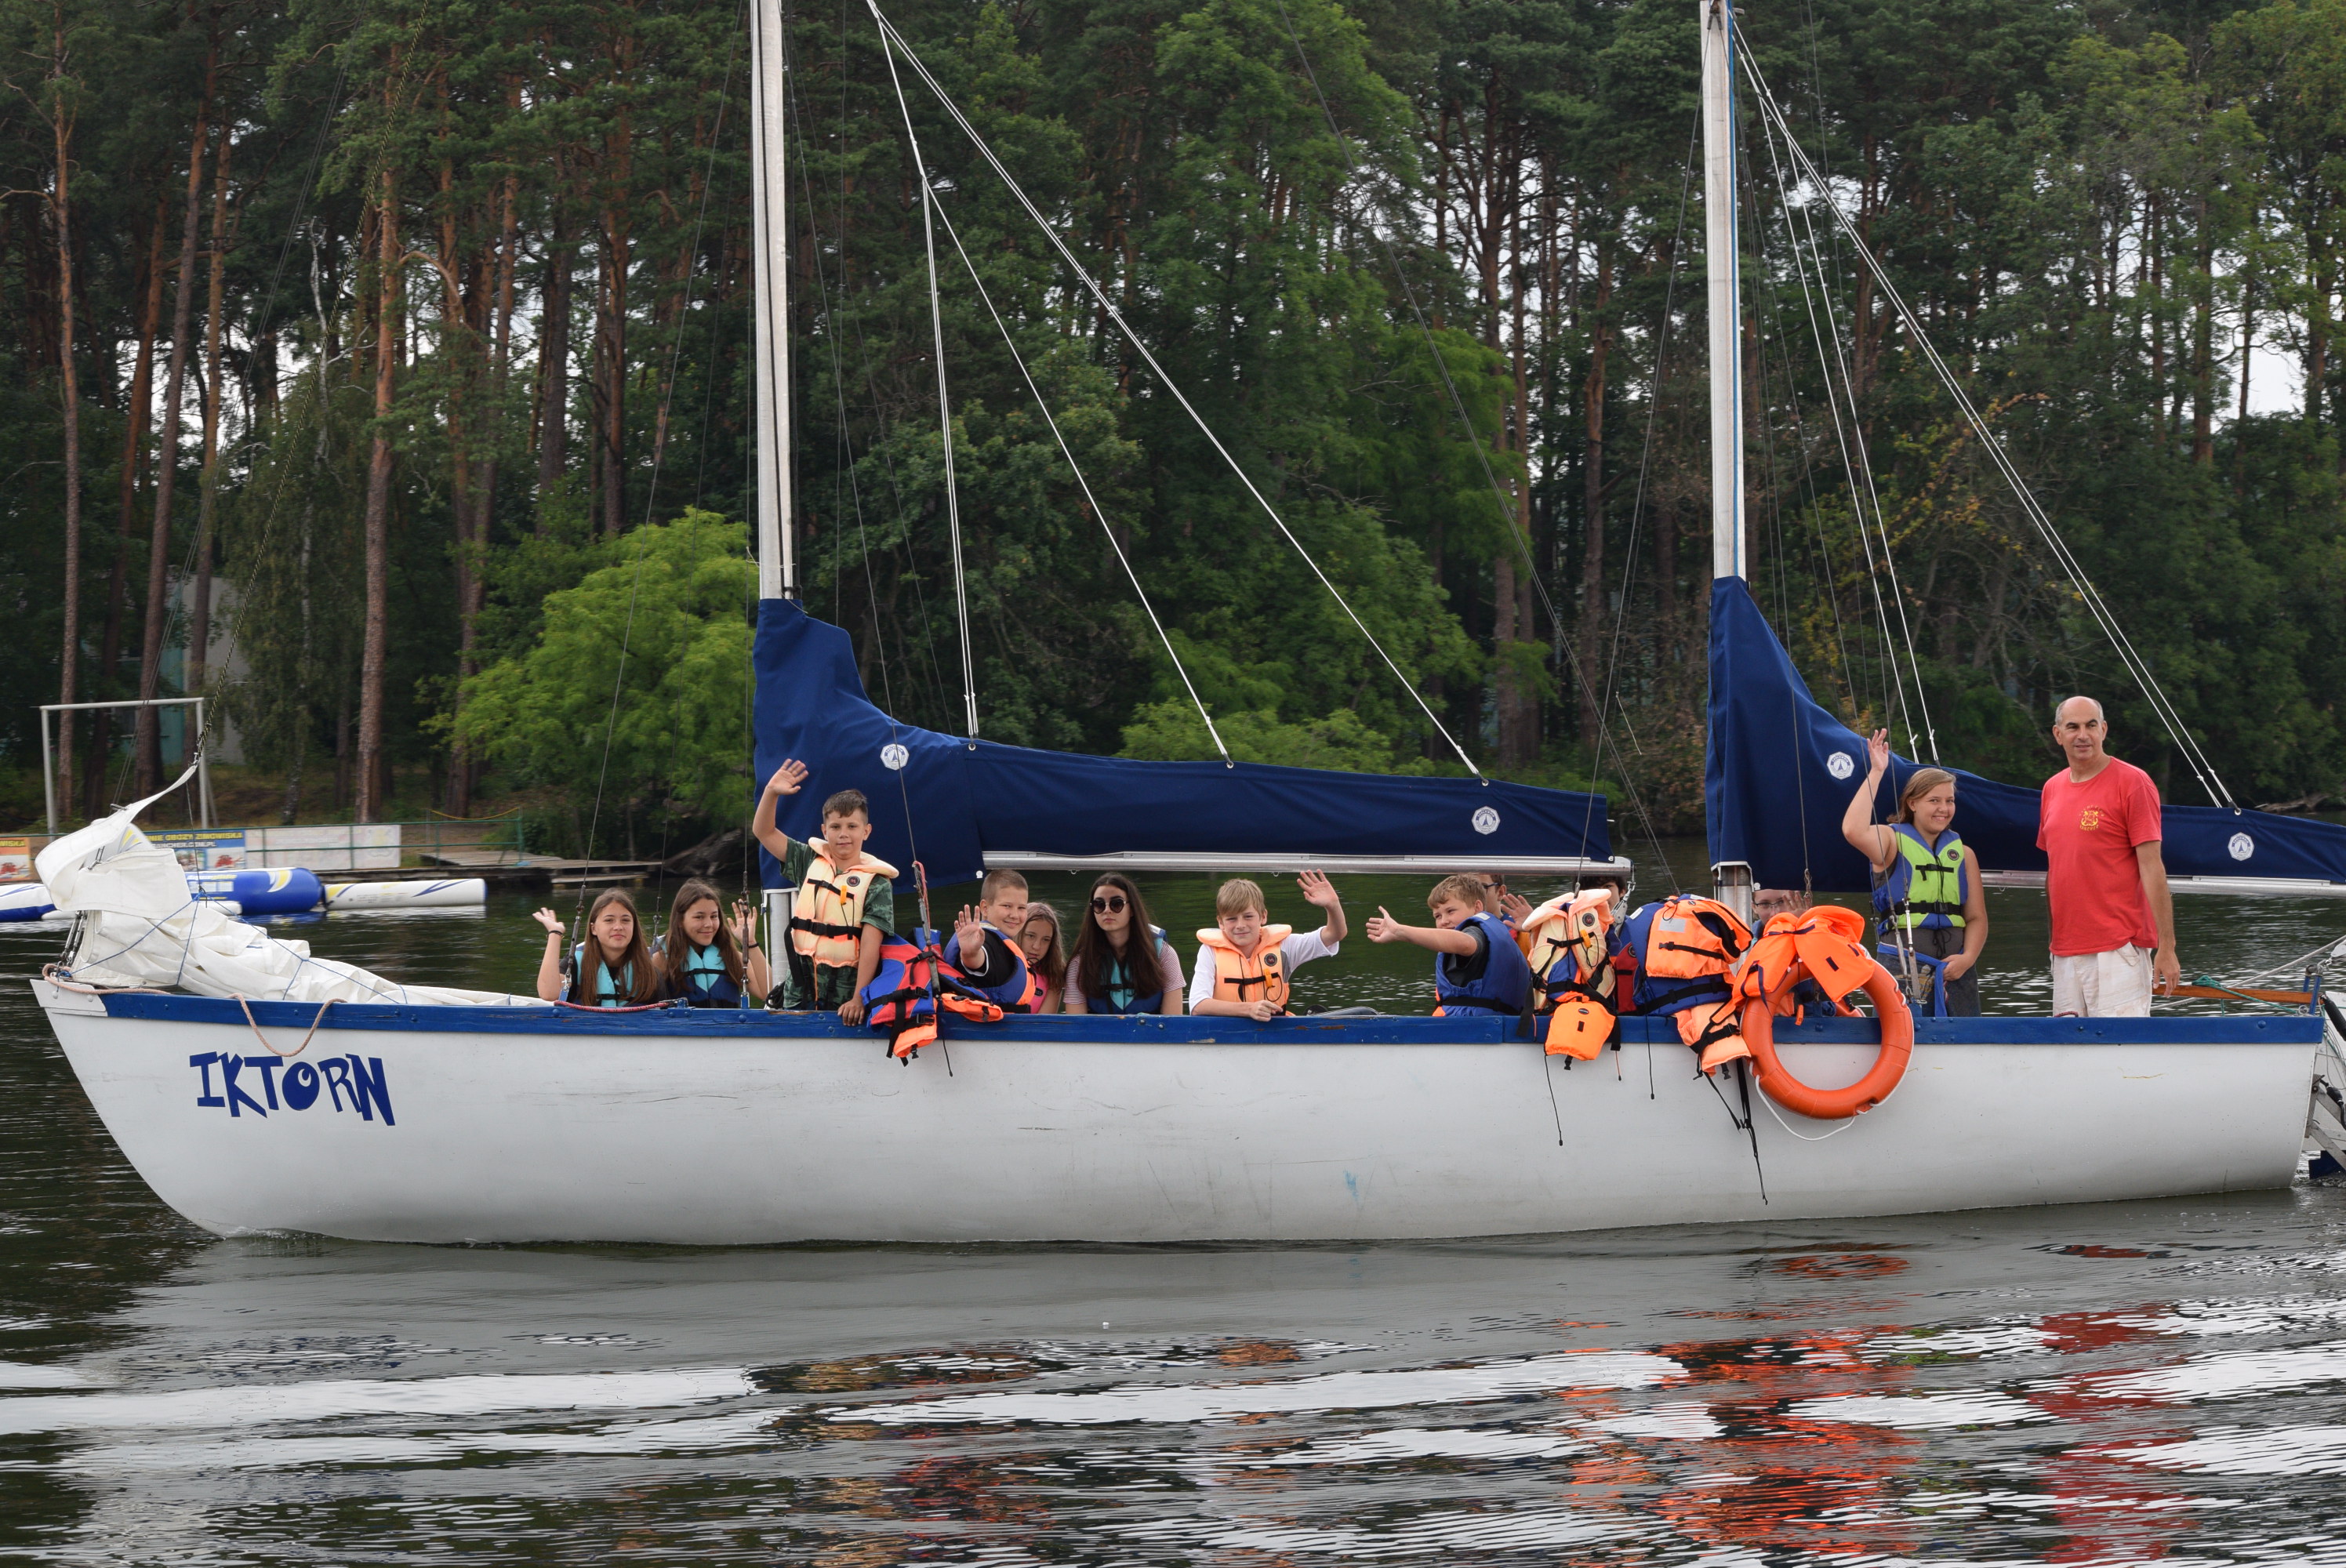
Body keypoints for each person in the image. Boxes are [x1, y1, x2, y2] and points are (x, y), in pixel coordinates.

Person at [2038, 695, 2178, 1017]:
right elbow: (2056, 870)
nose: (2082, 735)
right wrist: (2054, 943)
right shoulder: (2052, 789)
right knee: (2069, 1045)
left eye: (2091, 725)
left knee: (2121, 1045)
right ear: (2058, 734)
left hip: (2119, 949)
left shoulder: (2133, 782)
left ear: (2103, 730)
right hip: (2065, 952)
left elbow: (2153, 868)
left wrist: (2167, 948)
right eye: (2072, 727)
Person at [1840, 731, 1988, 1016]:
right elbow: (1852, 830)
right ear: (1913, 803)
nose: (1943, 809)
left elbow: (1976, 917)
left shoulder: (1964, 854)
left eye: (1949, 801)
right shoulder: (1890, 841)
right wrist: (1877, 772)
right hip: (1902, 966)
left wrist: (1968, 958)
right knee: (1903, 1034)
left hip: (1956, 970)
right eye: (1934, 801)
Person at [752, 759, 895, 1022]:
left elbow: (871, 945)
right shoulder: (807, 860)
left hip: (845, 997)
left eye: (852, 827)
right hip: (799, 991)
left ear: (866, 831)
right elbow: (763, 831)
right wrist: (771, 792)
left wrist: (859, 997)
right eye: (836, 827)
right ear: (824, 831)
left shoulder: (878, 883)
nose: (843, 834)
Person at [1365, 873, 1534, 1019]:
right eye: (1437, 916)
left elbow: (1465, 944)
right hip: (1484, 1025)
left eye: (1451, 911)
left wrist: (1400, 931)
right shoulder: (1494, 931)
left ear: (1477, 907)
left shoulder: (1477, 932)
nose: (1444, 921)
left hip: (1477, 1029)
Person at [1190, 873, 1348, 1020]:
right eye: (1232, 919)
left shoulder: (1285, 946)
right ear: (1220, 922)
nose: (1240, 925)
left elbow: (1334, 934)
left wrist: (1333, 905)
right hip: (1226, 1035)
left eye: (1248, 916)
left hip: (1276, 1031)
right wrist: (1249, 1009)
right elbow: (1198, 1005)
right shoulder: (1209, 951)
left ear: (1263, 916)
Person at [1066, 873, 1185, 1015]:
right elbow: (1076, 1024)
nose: (1107, 910)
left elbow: (1173, 1020)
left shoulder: (1165, 953)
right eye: (1099, 904)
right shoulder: (1079, 963)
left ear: (1132, 909)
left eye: (1116, 904)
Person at [532, 887, 666, 1006]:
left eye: (625, 920)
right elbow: (548, 993)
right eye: (609, 920)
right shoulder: (577, 961)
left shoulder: (649, 968)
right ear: (594, 928)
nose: (618, 927)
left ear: (634, 927)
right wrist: (555, 934)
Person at [660, 879, 768, 1009]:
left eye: (714, 916)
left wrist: (750, 943)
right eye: (699, 917)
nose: (709, 924)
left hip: (727, 1023)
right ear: (679, 921)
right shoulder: (661, 959)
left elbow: (770, 995)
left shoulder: (734, 958)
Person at [944, 869, 1033, 1012]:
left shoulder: (1002, 941)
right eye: (1007, 906)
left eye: (1021, 908)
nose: (1015, 915)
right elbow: (980, 961)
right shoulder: (985, 940)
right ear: (985, 908)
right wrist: (971, 954)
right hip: (986, 1026)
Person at [1016, 902, 1070, 1014]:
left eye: (1046, 940)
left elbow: (1043, 1022)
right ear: (1018, 932)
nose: (1037, 946)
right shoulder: (996, 964)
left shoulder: (1054, 976)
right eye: (1031, 936)